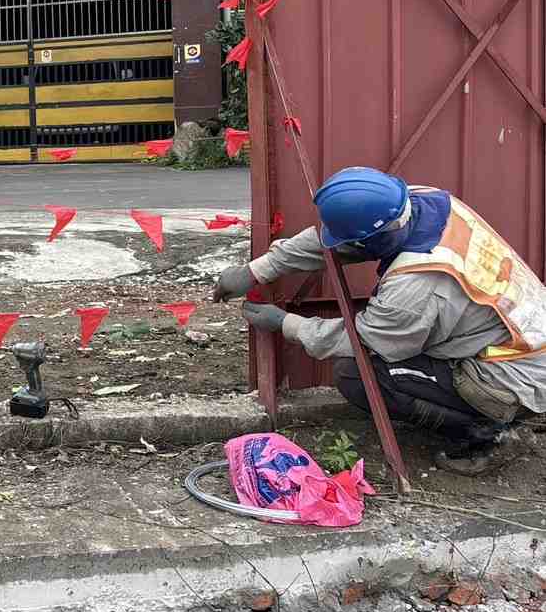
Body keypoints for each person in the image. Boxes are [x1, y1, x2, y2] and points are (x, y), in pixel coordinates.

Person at [214, 167, 546, 474]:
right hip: (516, 337)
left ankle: (494, 434)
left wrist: (287, 324)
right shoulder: (422, 201)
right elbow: (337, 241)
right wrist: (258, 270)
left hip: (514, 374)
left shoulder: (417, 284)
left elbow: (364, 342)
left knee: (358, 374)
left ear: (373, 239)